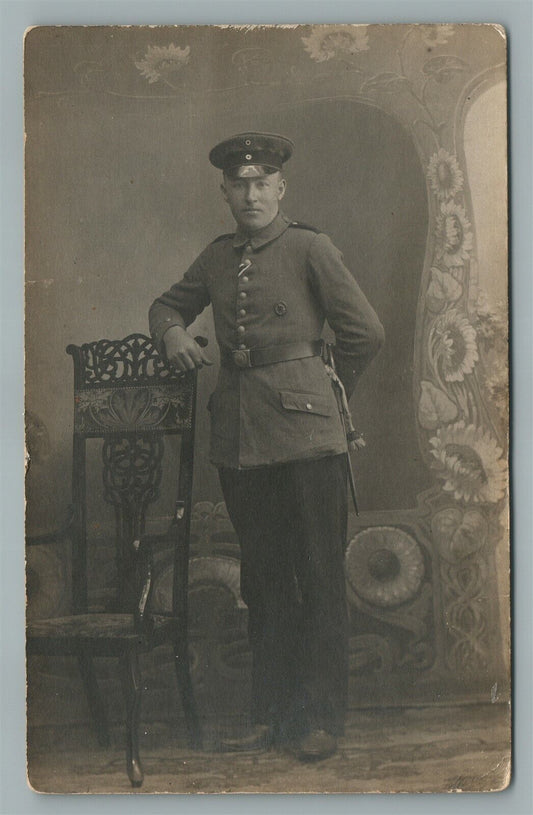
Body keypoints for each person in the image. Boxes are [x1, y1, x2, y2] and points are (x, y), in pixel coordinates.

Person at [149, 132, 384, 761]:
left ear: (281, 188)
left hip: (309, 440)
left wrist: (324, 392)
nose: (251, 194)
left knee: (318, 577)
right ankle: (274, 717)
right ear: (225, 191)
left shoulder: (310, 246)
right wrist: (172, 332)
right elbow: (167, 305)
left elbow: (364, 332)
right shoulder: (218, 257)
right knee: (267, 580)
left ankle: (321, 721)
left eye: (262, 184)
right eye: (239, 184)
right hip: (243, 439)